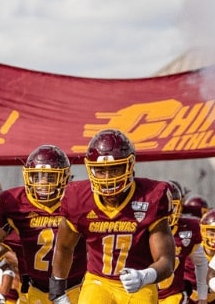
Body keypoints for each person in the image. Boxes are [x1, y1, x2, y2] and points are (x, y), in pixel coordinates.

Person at [50, 129, 175, 304]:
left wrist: (144, 276)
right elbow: (64, 246)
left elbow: (166, 261)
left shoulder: (151, 196)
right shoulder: (78, 197)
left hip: (138, 284)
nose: (108, 178)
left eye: (115, 169)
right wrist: (57, 290)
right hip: (98, 281)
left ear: (129, 165)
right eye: (101, 171)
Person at [0, 144, 86, 303]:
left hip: (74, 288)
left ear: (65, 177)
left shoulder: (78, 200)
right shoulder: (16, 203)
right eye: (37, 176)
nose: (43, 183)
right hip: (35, 289)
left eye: (50, 177)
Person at [157, 181, 208, 304]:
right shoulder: (141, 227)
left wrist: (202, 296)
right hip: (144, 292)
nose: (169, 210)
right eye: (164, 205)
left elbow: (201, 263)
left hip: (172, 295)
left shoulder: (188, 228)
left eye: (173, 206)